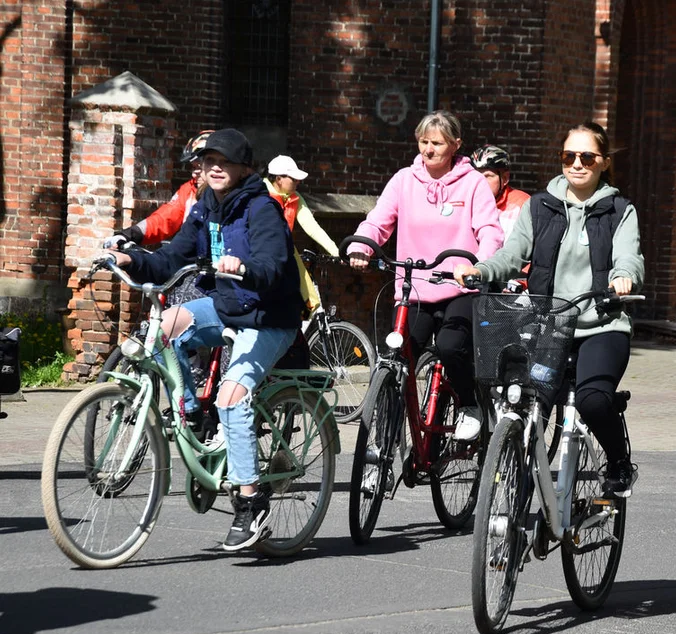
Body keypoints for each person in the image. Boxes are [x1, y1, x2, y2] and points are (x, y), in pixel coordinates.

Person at [103, 128, 303, 551]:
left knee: (232, 395)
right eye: (209, 160)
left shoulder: (261, 208)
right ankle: (194, 412)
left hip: (268, 318)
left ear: (244, 168)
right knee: (167, 325)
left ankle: (251, 502)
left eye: (224, 161)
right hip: (229, 306)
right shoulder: (205, 207)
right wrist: (130, 258)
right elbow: (173, 256)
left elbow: (273, 263)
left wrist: (245, 267)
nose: (214, 167)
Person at [454, 121, 645, 498]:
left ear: (604, 162)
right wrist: (481, 269)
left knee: (592, 400)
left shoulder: (620, 210)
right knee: (525, 401)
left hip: (600, 325)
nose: (577, 163)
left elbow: (629, 257)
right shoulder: (539, 206)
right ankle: (516, 482)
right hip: (548, 323)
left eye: (587, 157)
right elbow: (512, 254)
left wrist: (623, 277)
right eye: (568, 156)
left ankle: (619, 461)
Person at [345, 111, 503, 441]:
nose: (428, 149)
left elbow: (490, 231)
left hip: (460, 288)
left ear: (456, 145)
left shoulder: (472, 182)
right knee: (397, 358)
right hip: (414, 289)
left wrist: (479, 266)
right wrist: (363, 245)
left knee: (449, 347)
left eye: (437, 143)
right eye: (423, 142)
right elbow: (379, 221)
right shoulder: (404, 180)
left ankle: (469, 405)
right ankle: (383, 445)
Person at [106, 129, 214, 248]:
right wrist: (129, 234)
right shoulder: (189, 190)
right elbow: (165, 218)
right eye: (193, 168)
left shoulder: (231, 195)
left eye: (199, 168)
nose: (194, 174)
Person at [264, 155, 340, 317]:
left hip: (284, 250)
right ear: (278, 179)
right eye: (294, 178)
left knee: (308, 296)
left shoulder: (295, 197)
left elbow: (312, 227)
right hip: (261, 252)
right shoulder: (260, 194)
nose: (298, 182)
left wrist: (336, 251)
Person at [469, 144, 530, 236]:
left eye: (488, 176)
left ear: (505, 178)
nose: (480, 182)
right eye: (476, 176)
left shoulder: (523, 204)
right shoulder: (463, 201)